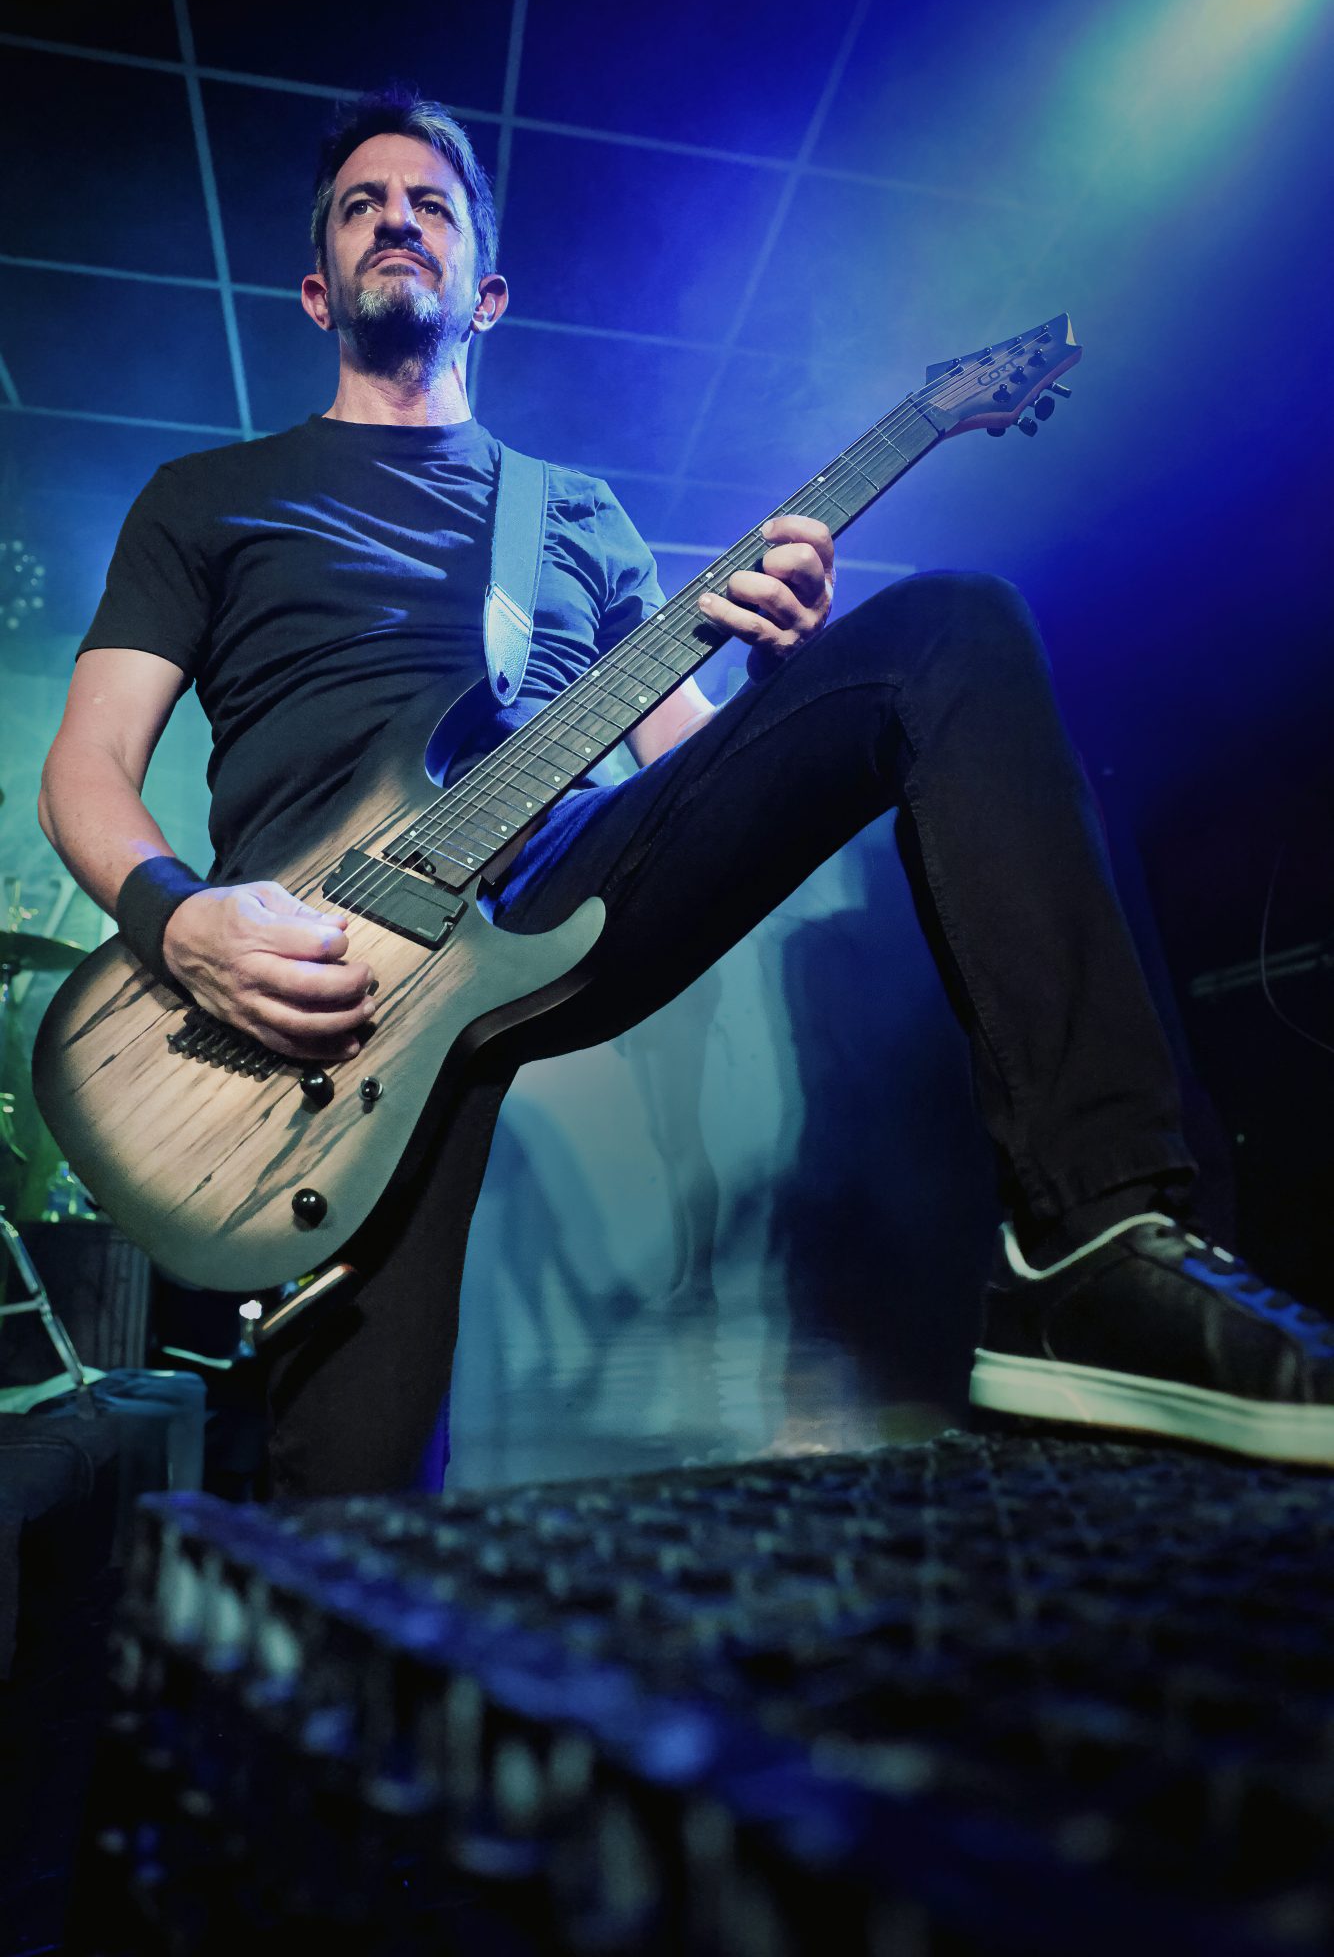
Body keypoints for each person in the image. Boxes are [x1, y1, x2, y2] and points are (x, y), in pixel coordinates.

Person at [38, 91, 1334, 1496]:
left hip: (545, 885)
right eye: (362, 205)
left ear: (488, 293)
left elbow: (688, 768)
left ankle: (1091, 1239)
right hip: (313, 977)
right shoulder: (205, 497)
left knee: (950, 631)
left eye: (431, 204)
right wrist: (180, 922)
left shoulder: (573, 515)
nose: (395, 219)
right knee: (350, 1493)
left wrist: (786, 675)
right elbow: (86, 768)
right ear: (315, 289)